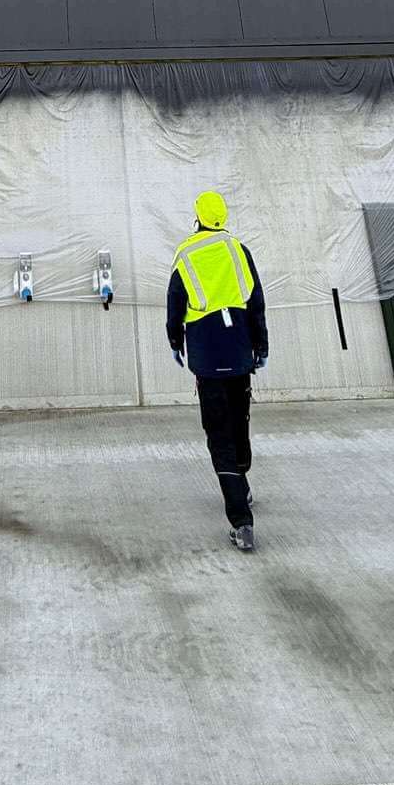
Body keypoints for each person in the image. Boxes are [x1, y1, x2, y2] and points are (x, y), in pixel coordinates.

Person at [167, 190, 268, 553]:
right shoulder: (240, 250)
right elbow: (256, 302)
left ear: (196, 219)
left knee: (218, 435)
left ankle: (241, 521)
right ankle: (242, 481)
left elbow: (175, 303)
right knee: (240, 419)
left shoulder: (185, 254)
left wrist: (175, 341)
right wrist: (262, 347)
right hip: (240, 351)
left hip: (207, 359)